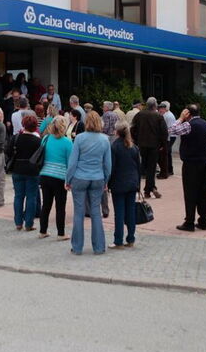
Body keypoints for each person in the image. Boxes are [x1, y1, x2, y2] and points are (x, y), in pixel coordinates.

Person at [66, 111, 112, 255]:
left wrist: (68, 179)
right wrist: (106, 180)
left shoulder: (79, 138)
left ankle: (77, 247)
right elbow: (107, 164)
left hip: (80, 177)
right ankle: (99, 247)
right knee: (96, 212)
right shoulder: (105, 140)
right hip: (97, 177)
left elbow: (72, 162)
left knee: (79, 213)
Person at [168, 105, 206, 232]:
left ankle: (189, 222)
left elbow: (172, 130)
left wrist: (180, 118)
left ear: (188, 113)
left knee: (190, 192)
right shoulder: (205, 124)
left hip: (190, 162)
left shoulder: (189, 124)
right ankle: (203, 220)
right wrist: (205, 147)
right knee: (202, 192)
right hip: (203, 161)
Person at [38, 115, 72, 239]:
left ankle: (42, 231)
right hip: (60, 176)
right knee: (60, 206)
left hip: (45, 174)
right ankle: (61, 233)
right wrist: (70, 180)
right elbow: (70, 163)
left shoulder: (46, 138)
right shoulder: (68, 142)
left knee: (46, 204)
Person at [108, 121, 141, 249]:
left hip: (118, 183)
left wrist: (108, 183)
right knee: (130, 211)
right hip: (132, 183)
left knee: (119, 213)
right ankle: (131, 238)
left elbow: (112, 167)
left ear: (116, 132)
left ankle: (118, 240)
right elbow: (138, 167)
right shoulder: (133, 147)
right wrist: (138, 183)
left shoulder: (114, 146)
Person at [7, 114, 41, 231]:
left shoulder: (16, 138)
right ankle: (29, 223)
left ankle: (18, 222)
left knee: (18, 196)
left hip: (17, 168)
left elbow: (8, 152)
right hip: (32, 170)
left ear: (23, 125)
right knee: (31, 196)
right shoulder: (38, 141)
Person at [130, 97, 168, 198]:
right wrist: (163, 145)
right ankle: (149, 189)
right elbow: (164, 132)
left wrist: (136, 140)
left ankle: (145, 188)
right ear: (155, 105)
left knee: (143, 166)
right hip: (154, 145)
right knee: (151, 168)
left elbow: (132, 129)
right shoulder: (158, 116)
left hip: (142, 145)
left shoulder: (139, 115)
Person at [158, 101, 177, 179]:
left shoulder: (167, 116)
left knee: (166, 153)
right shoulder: (168, 114)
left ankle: (168, 170)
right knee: (168, 153)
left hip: (170, 136)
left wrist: (165, 139)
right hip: (171, 136)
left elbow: (168, 129)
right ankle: (169, 169)